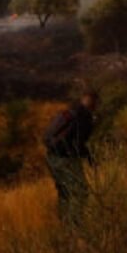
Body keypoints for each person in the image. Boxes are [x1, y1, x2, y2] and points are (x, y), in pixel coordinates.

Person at [42, 91, 98, 225]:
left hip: (52, 157)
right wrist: (91, 159)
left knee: (64, 193)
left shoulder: (69, 112)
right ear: (94, 104)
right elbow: (79, 143)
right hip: (67, 159)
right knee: (80, 191)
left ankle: (64, 226)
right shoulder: (84, 117)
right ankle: (74, 228)